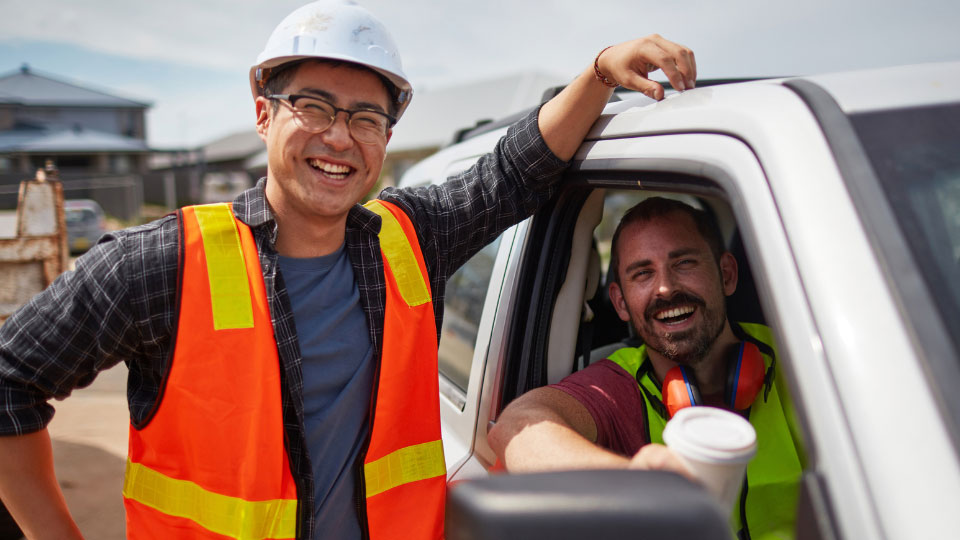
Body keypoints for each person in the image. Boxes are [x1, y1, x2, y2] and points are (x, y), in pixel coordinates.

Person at [0, 1, 696, 538]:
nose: (339, 136)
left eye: (366, 117)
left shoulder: (406, 240)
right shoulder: (163, 265)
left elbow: (516, 172)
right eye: (314, 106)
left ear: (386, 138)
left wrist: (601, 70)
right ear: (263, 113)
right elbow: (9, 383)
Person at [488, 197, 805, 540]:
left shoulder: (798, 357)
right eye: (643, 274)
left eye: (684, 263)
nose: (665, 288)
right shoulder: (616, 384)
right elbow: (519, 425)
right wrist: (630, 484)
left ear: (726, 274)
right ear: (621, 303)